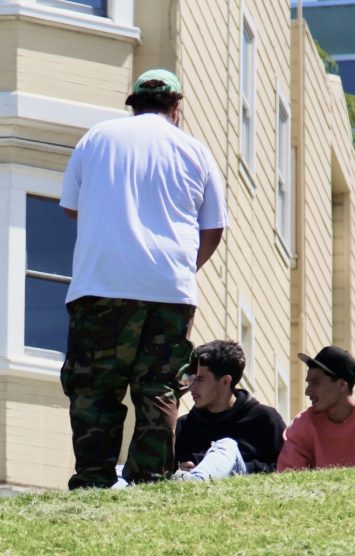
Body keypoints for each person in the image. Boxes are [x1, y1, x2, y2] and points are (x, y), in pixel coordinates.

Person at [59, 69, 228, 488]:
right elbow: (214, 228)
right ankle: (150, 478)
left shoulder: (96, 138)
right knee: (159, 387)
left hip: (101, 284)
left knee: (95, 386)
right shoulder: (195, 151)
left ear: (132, 103)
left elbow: (72, 207)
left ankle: (93, 478)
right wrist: (184, 270)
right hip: (169, 289)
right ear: (176, 106)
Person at [172, 341, 285, 481]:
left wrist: (241, 469)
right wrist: (181, 468)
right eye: (190, 379)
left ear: (225, 381)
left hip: (245, 486)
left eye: (200, 380)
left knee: (226, 446)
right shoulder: (184, 425)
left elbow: (285, 468)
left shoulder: (265, 419)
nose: (192, 387)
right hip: (193, 488)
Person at [277, 346, 355, 471]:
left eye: (315, 382)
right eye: (309, 383)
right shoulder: (302, 425)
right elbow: (288, 477)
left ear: (342, 385)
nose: (307, 391)